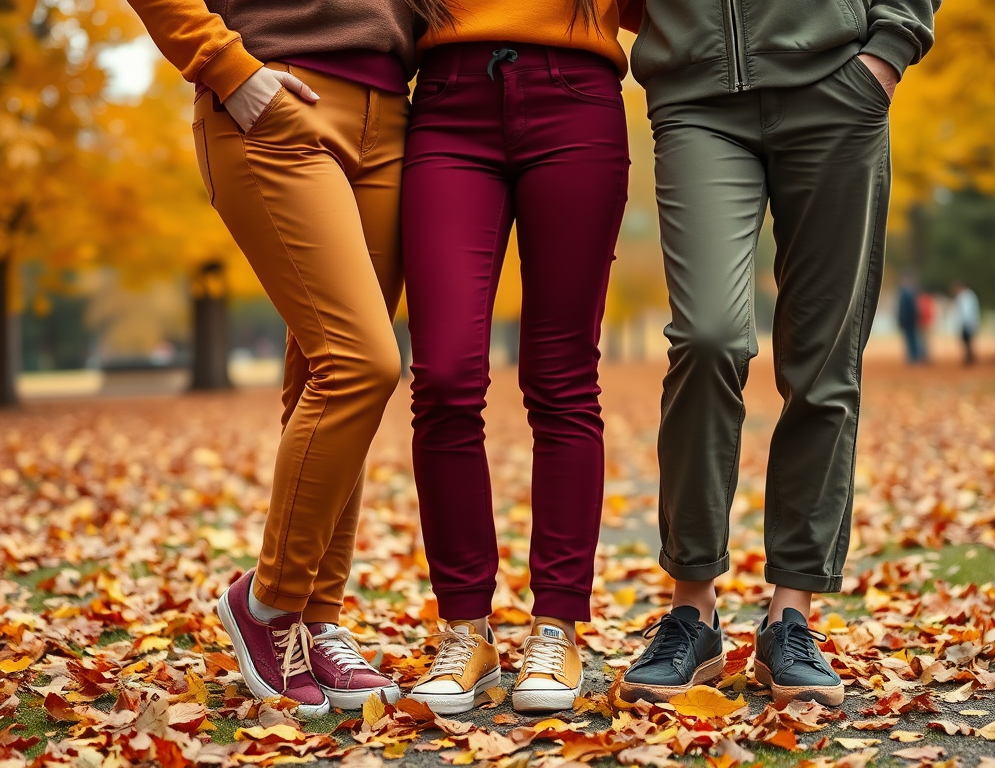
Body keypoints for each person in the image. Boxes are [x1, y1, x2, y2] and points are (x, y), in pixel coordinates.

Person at [621, 0, 940, 707]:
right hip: (695, 95)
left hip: (838, 84)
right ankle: (692, 611)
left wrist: (888, 49)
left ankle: (789, 615)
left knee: (823, 362)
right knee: (706, 338)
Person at [126, 0, 415, 716]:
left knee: (323, 374)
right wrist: (227, 68)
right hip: (277, 97)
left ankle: (314, 623)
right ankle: (267, 604)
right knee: (362, 362)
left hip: (397, 114)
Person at [402, 0, 641, 714]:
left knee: (562, 377)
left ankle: (556, 627)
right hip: (447, 100)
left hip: (576, 91)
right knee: (442, 376)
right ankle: (464, 629)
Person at [952, 280, 981, 365]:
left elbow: (966, 311)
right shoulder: (969, 296)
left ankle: (969, 359)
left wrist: (966, 323)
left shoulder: (965, 296)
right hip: (969, 322)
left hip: (966, 323)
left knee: (967, 341)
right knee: (968, 342)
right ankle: (969, 358)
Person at [898, 273, 923, 364]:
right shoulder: (908, 292)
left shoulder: (909, 293)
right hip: (908, 320)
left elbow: (908, 309)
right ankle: (913, 357)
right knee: (911, 338)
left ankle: (914, 357)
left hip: (910, 320)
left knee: (912, 338)